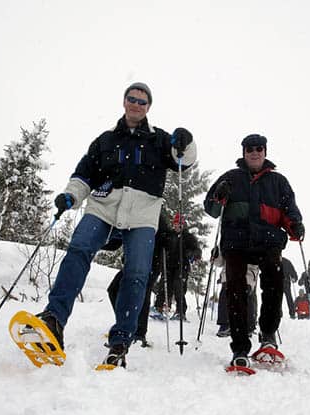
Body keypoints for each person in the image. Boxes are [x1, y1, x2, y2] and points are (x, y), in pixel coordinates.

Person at [35, 82, 197, 367]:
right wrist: (70, 195)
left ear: (148, 107)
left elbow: (184, 161)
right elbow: (84, 174)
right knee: (79, 248)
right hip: (103, 206)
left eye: (142, 101)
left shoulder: (159, 140)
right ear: (124, 102)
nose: (136, 104)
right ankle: (53, 320)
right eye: (132, 99)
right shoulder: (105, 140)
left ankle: (121, 340)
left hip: (142, 215)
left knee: (137, 272)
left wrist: (186, 141)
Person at [204, 133, 303, 370]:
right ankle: (240, 347)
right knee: (235, 288)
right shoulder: (230, 178)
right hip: (236, 243)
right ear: (243, 153)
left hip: (268, 241)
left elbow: (290, 210)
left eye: (259, 148)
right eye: (249, 149)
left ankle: (268, 336)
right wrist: (220, 194)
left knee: (274, 283)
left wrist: (295, 225)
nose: (254, 152)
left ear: (265, 151)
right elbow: (212, 209)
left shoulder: (278, 181)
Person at [106, 210, 172, 347]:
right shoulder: (129, 211)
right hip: (134, 261)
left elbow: (167, 237)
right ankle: (125, 325)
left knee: (143, 292)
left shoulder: (155, 213)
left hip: (152, 261)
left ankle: (139, 333)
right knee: (113, 289)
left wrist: (167, 239)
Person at [166, 214, 202, 321]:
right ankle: (162, 306)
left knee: (179, 287)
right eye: (175, 224)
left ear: (182, 225)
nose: (176, 226)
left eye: (178, 224)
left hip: (182, 266)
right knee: (165, 285)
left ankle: (181, 311)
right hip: (169, 265)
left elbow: (197, 251)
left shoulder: (188, 237)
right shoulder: (170, 235)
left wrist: (191, 254)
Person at [213, 254, 259, 338]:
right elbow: (219, 262)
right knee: (227, 294)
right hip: (229, 273)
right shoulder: (224, 241)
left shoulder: (255, 240)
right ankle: (226, 324)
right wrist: (215, 256)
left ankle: (247, 326)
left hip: (247, 273)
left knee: (245, 295)